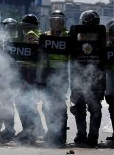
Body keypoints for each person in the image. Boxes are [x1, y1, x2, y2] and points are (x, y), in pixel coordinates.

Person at [70, 10, 106, 147]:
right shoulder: (74, 33)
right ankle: (81, 134)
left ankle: (93, 136)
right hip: (78, 76)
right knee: (79, 107)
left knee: (95, 108)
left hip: (96, 77)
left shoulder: (103, 35)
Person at [38, 10, 69, 147]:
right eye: (54, 21)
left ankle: (61, 136)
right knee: (46, 106)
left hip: (61, 76)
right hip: (47, 75)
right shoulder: (44, 37)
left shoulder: (69, 37)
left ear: (63, 23)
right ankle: (51, 132)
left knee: (60, 107)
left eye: (59, 21)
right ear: (50, 22)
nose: (56, 24)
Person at [14, 14, 43, 144]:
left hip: (28, 72)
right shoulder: (39, 33)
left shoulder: (31, 34)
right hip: (31, 71)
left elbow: (31, 47)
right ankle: (34, 130)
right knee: (28, 103)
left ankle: (30, 132)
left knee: (24, 103)